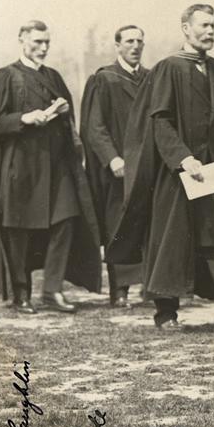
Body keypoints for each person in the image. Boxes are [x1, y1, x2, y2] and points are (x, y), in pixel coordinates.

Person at [105, 4, 214, 334]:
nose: (211, 31)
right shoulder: (170, 68)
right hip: (180, 174)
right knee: (171, 243)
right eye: (204, 26)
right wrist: (183, 158)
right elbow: (160, 121)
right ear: (185, 29)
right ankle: (166, 314)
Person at [0, 20, 102, 314]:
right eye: (37, 42)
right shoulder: (6, 77)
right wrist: (23, 119)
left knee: (66, 221)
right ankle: (20, 293)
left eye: (47, 43)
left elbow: (67, 116)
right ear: (21, 40)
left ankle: (52, 290)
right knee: (19, 232)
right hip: (22, 169)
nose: (43, 48)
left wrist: (64, 110)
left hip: (56, 168)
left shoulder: (53, 76)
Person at [80, 25, 149, 308]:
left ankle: (150, 287)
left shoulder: (151, 78)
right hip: (118, 168)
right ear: (117, 46)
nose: (135, 46)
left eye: (140, 41)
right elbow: (94, 126)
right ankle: (119, 290)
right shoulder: (104, 79)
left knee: (147, 225)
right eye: (129, 41)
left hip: (145, 167)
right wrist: (111, 158)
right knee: (117, 227)